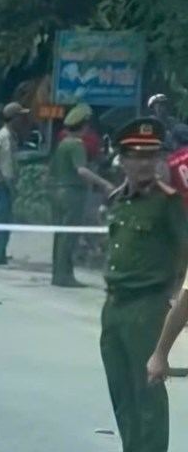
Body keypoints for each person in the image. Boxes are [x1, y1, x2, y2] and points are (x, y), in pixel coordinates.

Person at [100, 117, 188, 452]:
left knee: (147, 399)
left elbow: (185, 255)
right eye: (137, 156)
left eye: (151, 157)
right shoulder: (119, 200)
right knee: (122, 395)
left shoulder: (167, 203)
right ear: (122, 160)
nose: (144, 164)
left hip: (146, 307)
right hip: (114, 308)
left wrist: (178, 300)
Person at [49, 103, 114, 287]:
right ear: (84, 125)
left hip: (57, 191)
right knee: (69, 236)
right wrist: (104, 183)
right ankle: (65, 276)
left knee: (59, 235)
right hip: (72, 194)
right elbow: (82, 171)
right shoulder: (76, 145)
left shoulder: (62, 143)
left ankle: (58, 273)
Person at [0, 102, 29, 266]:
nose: (23, 120)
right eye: (20, 116)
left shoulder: (6, 134)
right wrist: (13, 189)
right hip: (2, 185)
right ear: (14, 118)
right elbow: (7, 169)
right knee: (1, 221)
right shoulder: (6, 138)